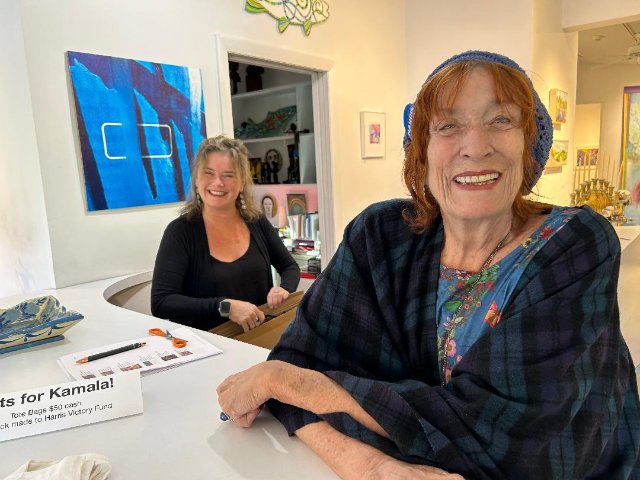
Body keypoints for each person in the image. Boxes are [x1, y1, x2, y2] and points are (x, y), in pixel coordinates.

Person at [216, 51, 640, 479]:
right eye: (448, 125)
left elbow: (505, 439)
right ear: (421, 151)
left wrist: (299, 386)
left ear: (529, 144)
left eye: (501, 120)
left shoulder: (574, 244)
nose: (475, 147)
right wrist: (370, 465)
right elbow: (297, 362)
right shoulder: (380, 236)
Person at [151, 136, 300, 331]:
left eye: (228, 175)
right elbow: (161, 302)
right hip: (208, 343)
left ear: (242, 183)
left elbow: (290, 266)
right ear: (196, 179)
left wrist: (284, 289)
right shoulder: (180, 232)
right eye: (209, 173)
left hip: (258, 337)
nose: (218, 182)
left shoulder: (257, 222)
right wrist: (225, 307)